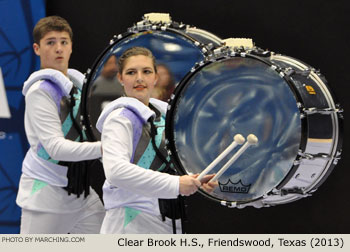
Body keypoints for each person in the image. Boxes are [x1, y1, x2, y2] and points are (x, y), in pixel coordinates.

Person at [96, 47, 216, 234]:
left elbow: (163, 164)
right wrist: (176, 184)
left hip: (165, 218)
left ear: (155, 77)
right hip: (129, 222)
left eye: (146, 71)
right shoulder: (119, 119)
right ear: (120, 78)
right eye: (131, 72)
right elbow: (116, 172)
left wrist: (196, 179)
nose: (139, 78)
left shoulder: (164, 116)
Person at [16, 16, 105, 234]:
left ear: (71, 47)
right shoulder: (40, 91)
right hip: (46, 193)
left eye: (64, 42)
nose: (59, 49)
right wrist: (108, 147)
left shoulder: (80, 86)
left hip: (80, 190)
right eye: (51, 42)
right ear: (37, 49)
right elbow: (55, 148)